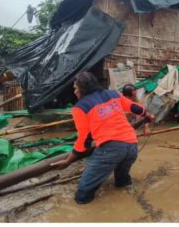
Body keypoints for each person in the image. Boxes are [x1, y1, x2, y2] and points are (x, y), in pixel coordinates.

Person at [50, 71, 155, 204]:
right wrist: (148, 113)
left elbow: (84, 140)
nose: (75, 92)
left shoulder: (80, 107)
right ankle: (130, 202)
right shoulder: (113, 94)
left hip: (111, 150)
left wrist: (68, 161)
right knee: (122, 183)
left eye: (76, 88)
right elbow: (134, 107)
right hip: (131, 145)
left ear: (82, 88)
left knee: (82, 194)